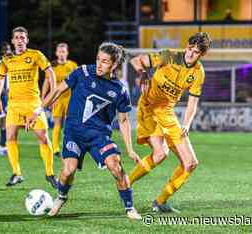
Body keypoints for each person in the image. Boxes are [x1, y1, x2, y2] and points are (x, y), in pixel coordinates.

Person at [26, 42, 143, 220]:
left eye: (104, 61)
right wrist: (38, 111)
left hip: (99, 136)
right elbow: (58, 90)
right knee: (68, 171)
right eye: (98, 59)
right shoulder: (82, 72)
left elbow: (124, 120)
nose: (99, 64)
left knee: (115, 166)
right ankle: (61, 197)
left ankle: (129, 207)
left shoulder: (119, 89)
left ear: (114, 65)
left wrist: (130, 149)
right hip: (74, 133)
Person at [128, 32, 211, 212]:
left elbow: (193, 102)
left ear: (202, 55)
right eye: (190, 48)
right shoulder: (169, 55)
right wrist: (143, 73)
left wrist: (186, 124)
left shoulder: (198, 73)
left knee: (190, 163)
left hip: (167, 112)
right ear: (187, 46)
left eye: (196, 52)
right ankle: (125, 184)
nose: (190, 53)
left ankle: (161, 201)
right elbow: (136, 61)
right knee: (160, 153)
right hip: (149, 108)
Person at [0, 26, 58, 188]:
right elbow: (0, 79)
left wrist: (54, 90)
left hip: (32, 103)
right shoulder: (6, 59)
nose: (20, 40)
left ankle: (50, 174)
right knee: (10, 138)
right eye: (17, 37)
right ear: (13, 41)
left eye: (23, 37)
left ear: (27, 40)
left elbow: (50, 72)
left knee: (43, 137)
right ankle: (17, 173)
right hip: (14, 104)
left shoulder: (35, 55)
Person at [42, 43, 77, 157]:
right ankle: (55, 148)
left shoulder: (72, 66)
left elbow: (79, 81)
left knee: (70, 123)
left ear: (67, 53)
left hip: (70, 98)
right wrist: (44, 97)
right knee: (57, 123)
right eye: (59, 51)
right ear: (56, 53)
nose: (61, 54)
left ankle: (69, 146)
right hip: (57, 98)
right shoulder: (52, 66)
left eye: (63, 51)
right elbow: (47, 82)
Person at [0, 42, 13, 156]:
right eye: (6, 49)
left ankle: (4, 145)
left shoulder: (11, 61)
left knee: (8, 121)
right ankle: (1, 146)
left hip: (9, 96)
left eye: (9, 49)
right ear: (2, 51)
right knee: (3, 120)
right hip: (1, 95)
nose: (8, 51)